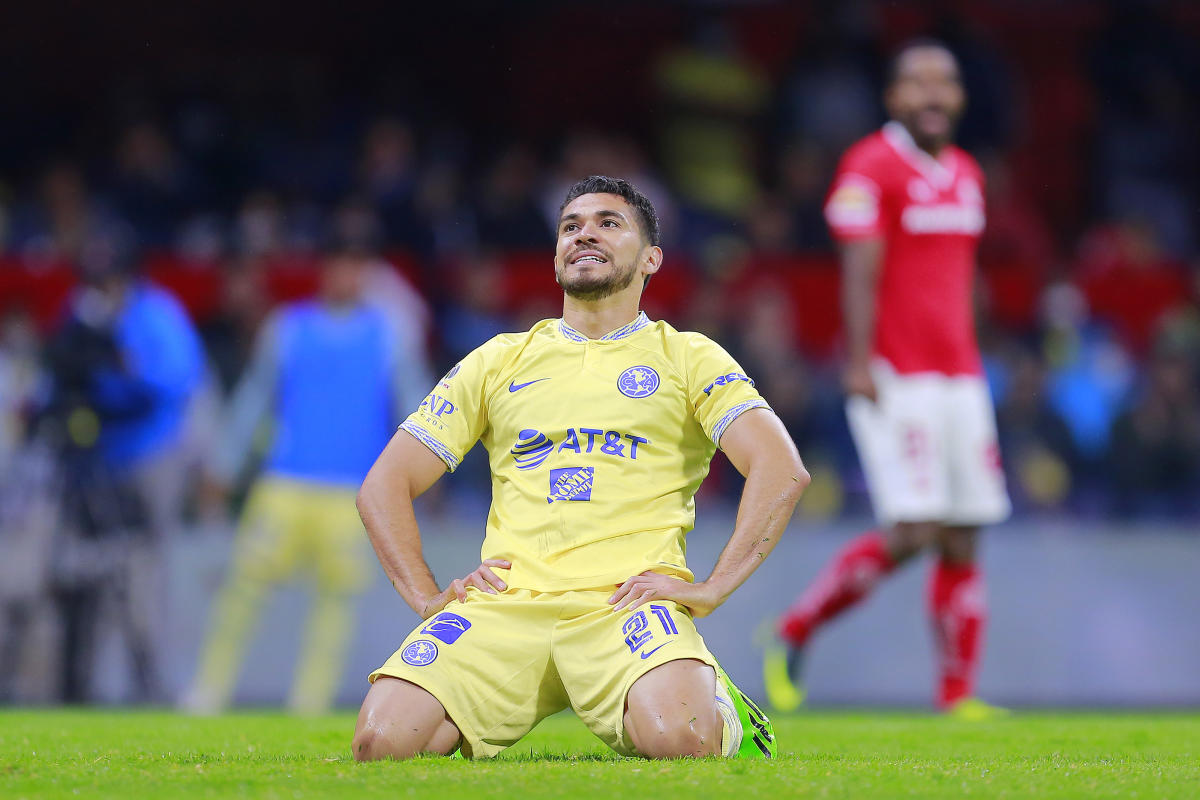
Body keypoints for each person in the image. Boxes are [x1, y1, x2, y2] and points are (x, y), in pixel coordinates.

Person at [352, 176, 809, 761]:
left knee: (684, 737)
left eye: (608, 223)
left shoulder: (688, 355)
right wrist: (425, 597)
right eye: (571, 226)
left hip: (626, 605)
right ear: (555, 257)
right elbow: (383, 485)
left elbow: (781, 467)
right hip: (505, 603)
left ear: (652, 259)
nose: (584, 234)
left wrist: (712, 587)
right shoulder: (498, 359)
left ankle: (729, 713)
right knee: (381, 742)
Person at [763, 40, 1011, 718]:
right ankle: (795, 628)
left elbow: (957, 275)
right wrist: (858, 360)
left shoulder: (966, 172)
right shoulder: (870, 165)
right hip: (896, 371)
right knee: (916, 527)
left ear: (959, 97)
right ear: (894, 96)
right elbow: (860, 268)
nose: (933, 94)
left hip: (961, 373)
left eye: (945, 82)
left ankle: (957, 696)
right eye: (917, 83)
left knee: (965, 532)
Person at [182, 241, 432, 714]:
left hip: (353, 491)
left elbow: (416, 406)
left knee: (337, 603)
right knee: (243, 591)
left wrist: (422, 471)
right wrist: (225, 463)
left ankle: (309, 703)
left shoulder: (390, 333)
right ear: (324, 272)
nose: (346, 277)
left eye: (355, 268)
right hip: (285, 481)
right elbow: (255, 398)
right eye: (339, 267)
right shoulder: (287, 328)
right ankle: (208, 691)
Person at [42, 224, 206, 703]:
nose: (99, 288)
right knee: (83, 573)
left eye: (107, 278)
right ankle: (79, 686)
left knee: (144, 574)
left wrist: (122, 369)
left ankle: (150, 683)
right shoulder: (79, 310)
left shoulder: (155, 312)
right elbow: (59, 375)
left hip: (152, 455)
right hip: (94, 455)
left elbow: (177, 379)